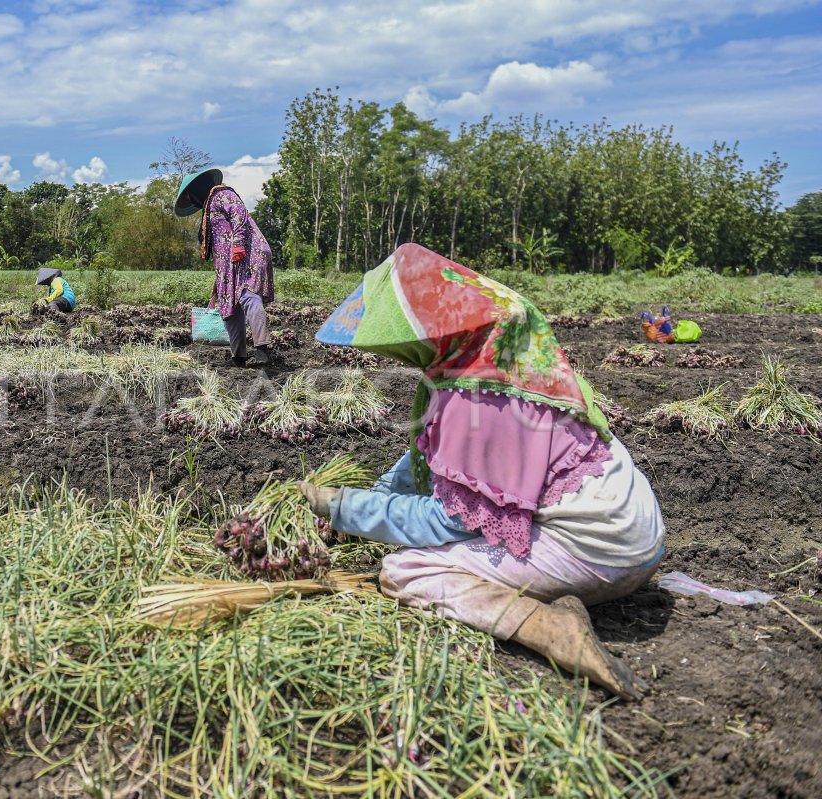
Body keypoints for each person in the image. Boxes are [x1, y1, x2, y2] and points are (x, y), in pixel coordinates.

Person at [299, 243, 664, 700]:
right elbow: (431, 461)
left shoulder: (474, 398)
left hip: (600, 554)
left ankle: (548, 627)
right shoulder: (513, 360)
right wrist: (370, 498)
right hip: (639, 539)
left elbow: (444, 522)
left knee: (406, 568)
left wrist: (343, 508)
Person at [174, 168, 274, 367]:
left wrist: (238, 245)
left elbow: (239, 215)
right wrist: (220, 277)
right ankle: (238, 357)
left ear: (197, 190)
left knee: (248, 296)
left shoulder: (223, 195)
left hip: (248, 254)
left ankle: (262, 350)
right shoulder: (210, 206)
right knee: (230, 308)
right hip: (229, 263)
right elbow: (219, 245)